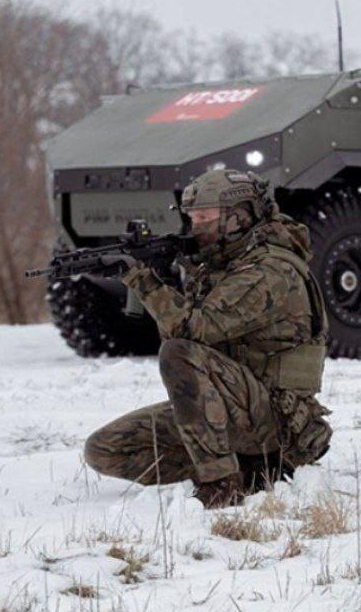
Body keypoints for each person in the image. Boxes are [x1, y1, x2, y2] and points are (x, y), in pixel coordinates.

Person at [83, 169, 332, 508]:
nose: (195, 226)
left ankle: (222, 483)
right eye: (192, 217)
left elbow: (192, 332)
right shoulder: (221, 266)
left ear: (239, 217)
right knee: (105, 449)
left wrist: (143, 281)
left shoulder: (270, 271)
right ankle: (249, 468)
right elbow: (181, 334)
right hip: (231, 407)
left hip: (275, 419)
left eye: (205, 217)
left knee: (178, 352)